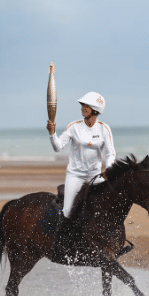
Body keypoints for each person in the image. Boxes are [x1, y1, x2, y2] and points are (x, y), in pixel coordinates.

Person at [46, 92, 117, 222]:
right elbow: (57, 147)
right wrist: (52, 133)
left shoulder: (104, 129)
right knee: (67, 211)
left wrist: (109, 169)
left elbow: (110, 153)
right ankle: (64, 239)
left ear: (95, 110)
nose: (83, 107)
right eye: (83, 105)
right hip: (75, 175)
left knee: (109, 206)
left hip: (95, 176)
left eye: (87, 105)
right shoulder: (74, 127)